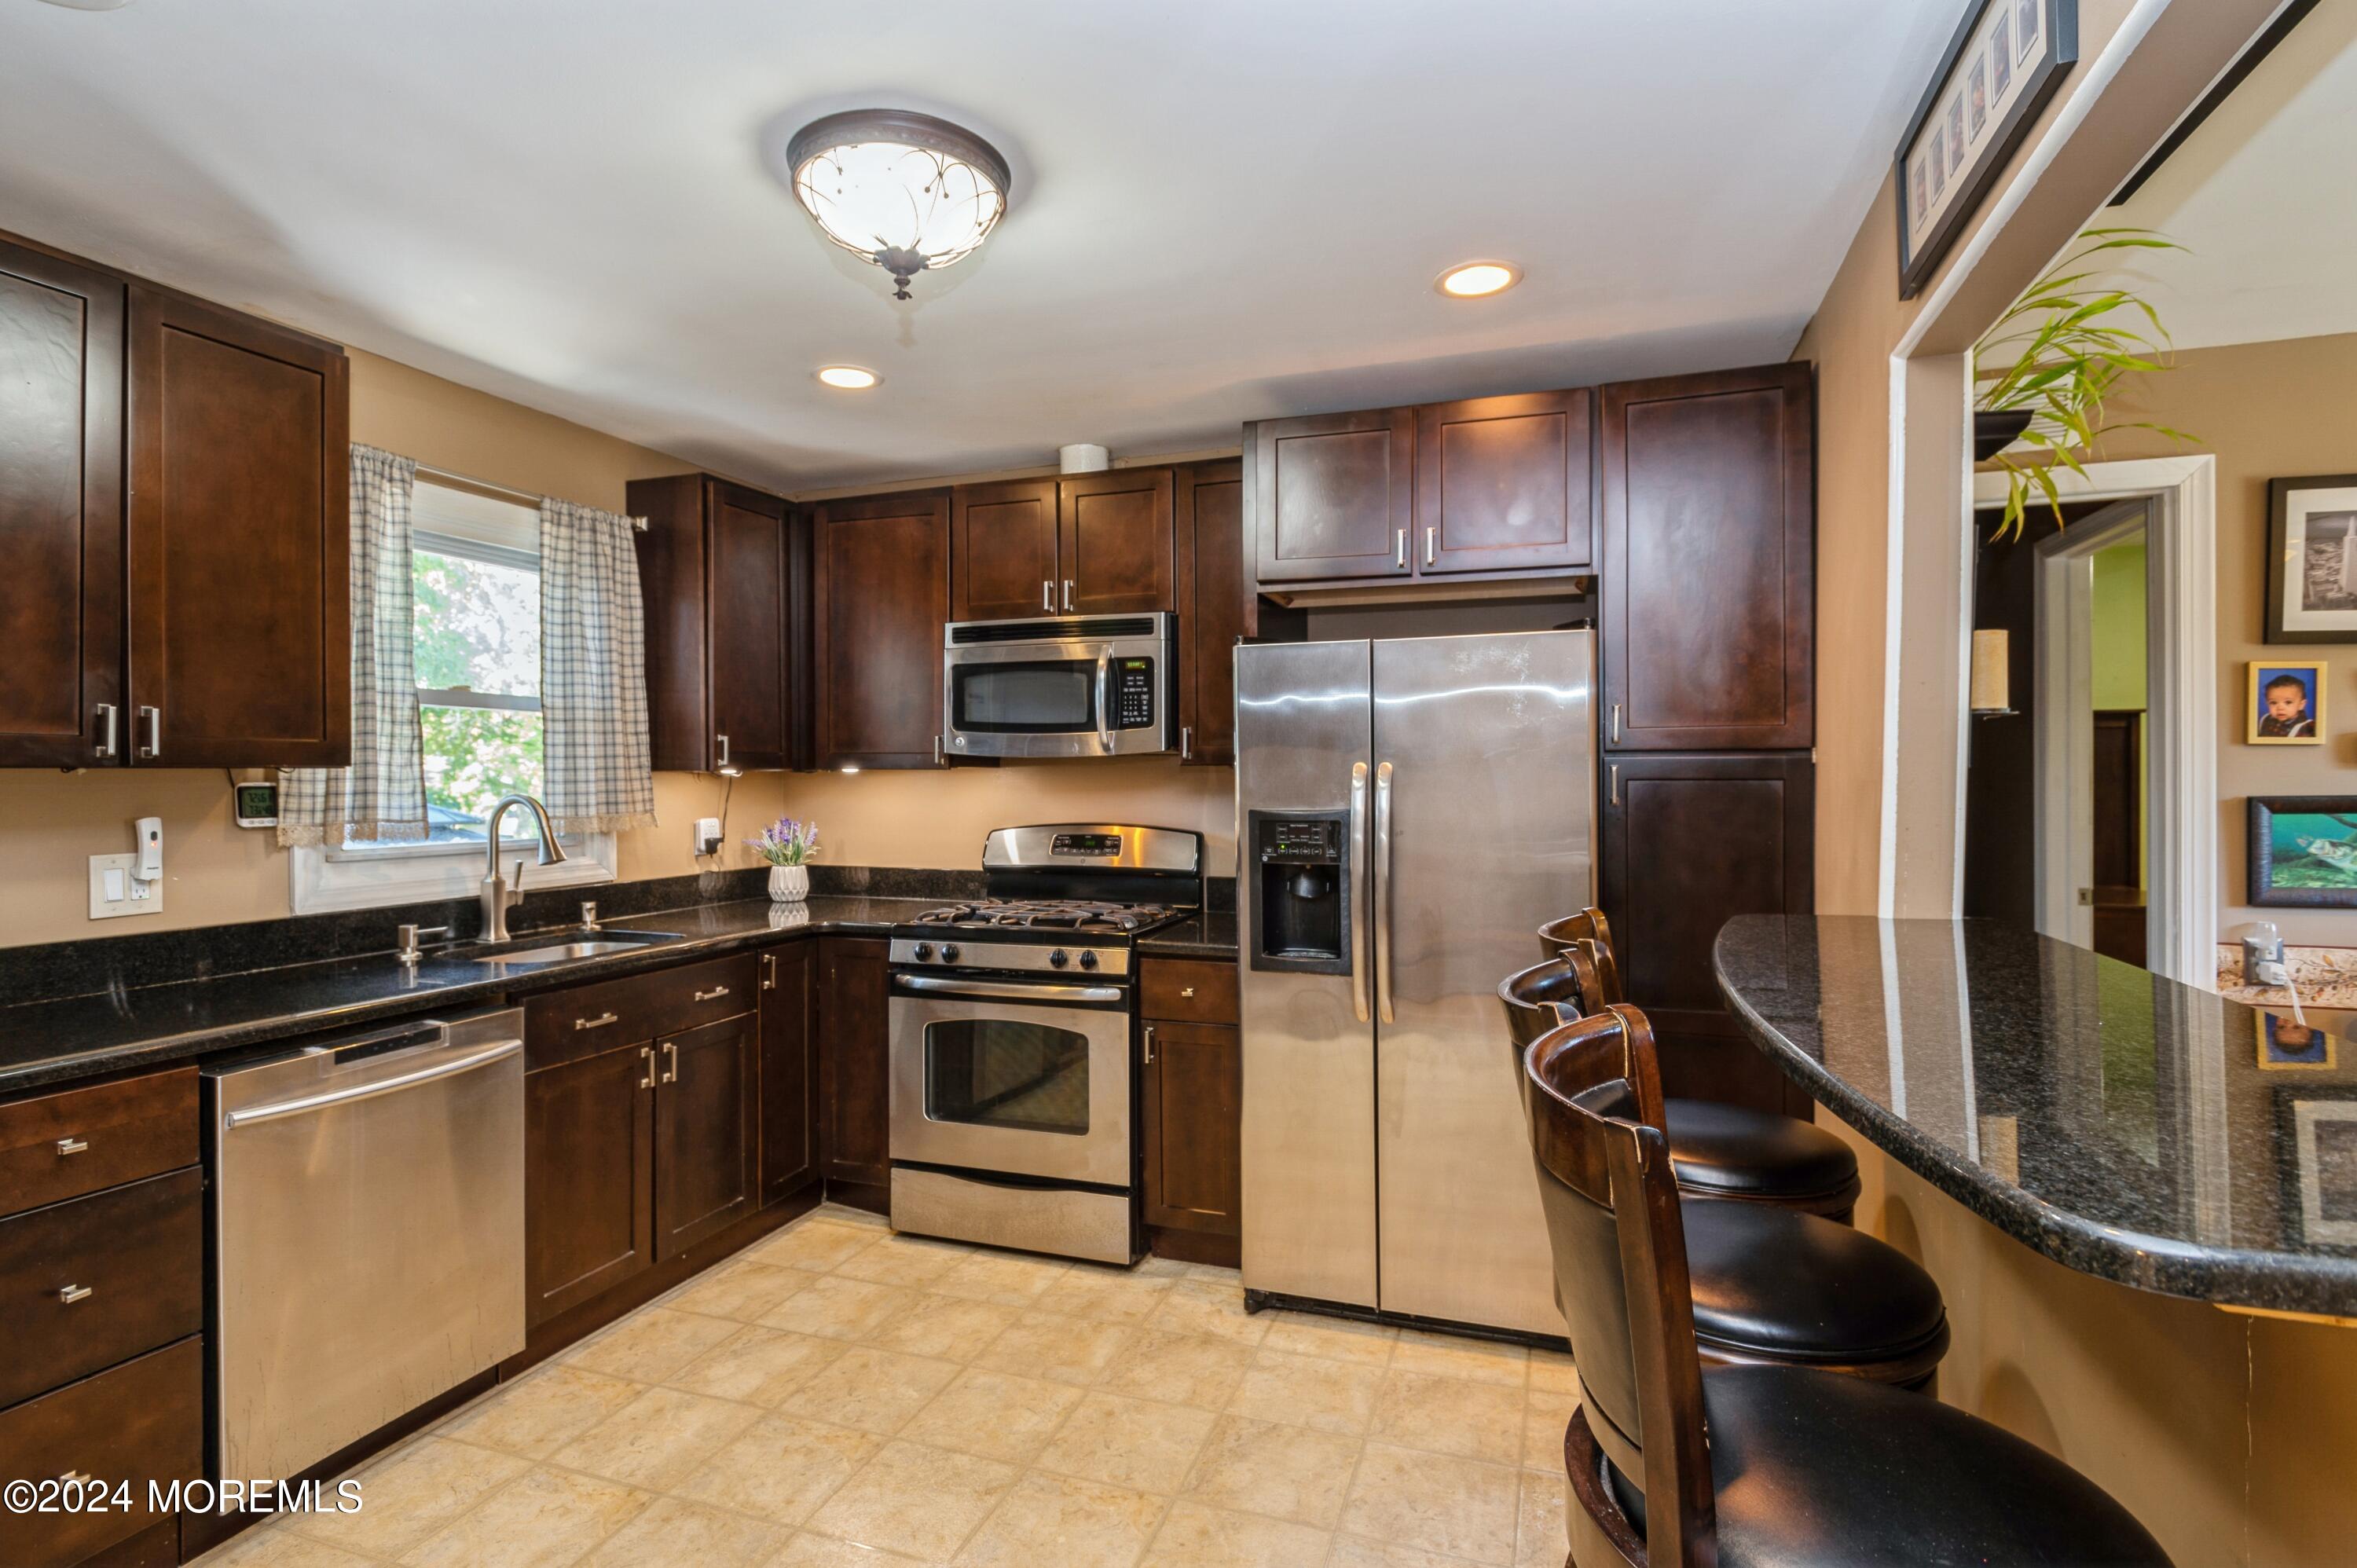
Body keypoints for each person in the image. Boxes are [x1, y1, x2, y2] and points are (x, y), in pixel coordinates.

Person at [2259, 673, 2316, 738]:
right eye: (2273, 703)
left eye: (2288, 702)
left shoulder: (2306, 728)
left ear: (2301, 705)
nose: (2280, 708)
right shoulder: (2266, 720)